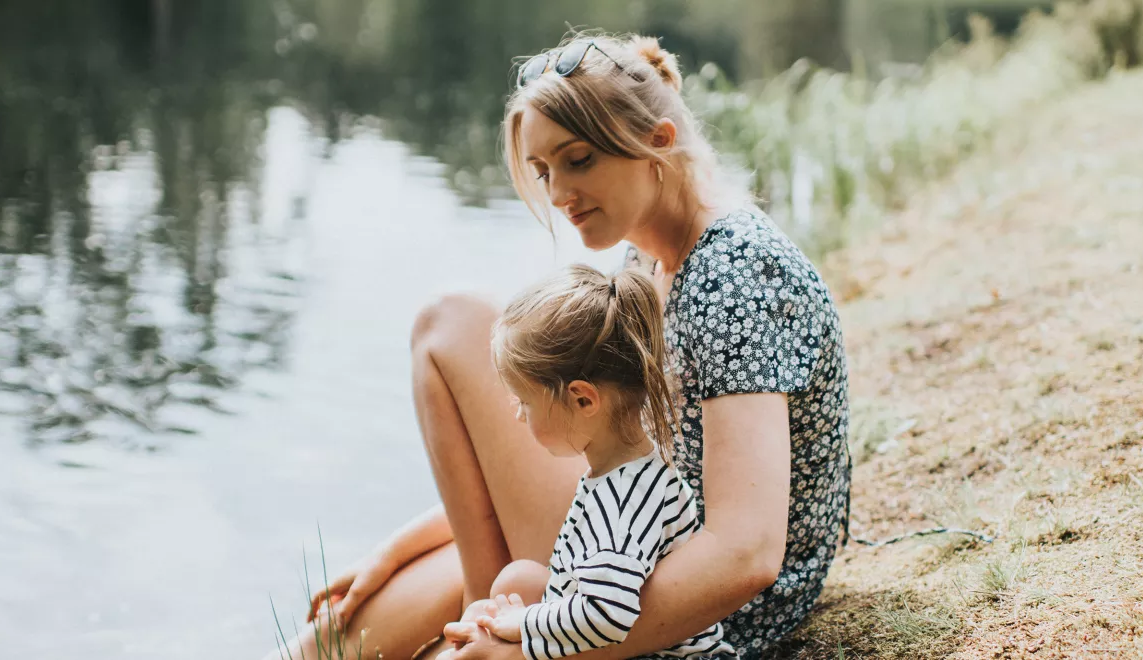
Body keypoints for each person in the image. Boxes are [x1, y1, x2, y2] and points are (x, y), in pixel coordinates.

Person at [278, 31, 850, 660]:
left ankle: (483, 622)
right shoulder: (650, 256)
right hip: (627, 533)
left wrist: (528, 648)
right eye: (544, 171)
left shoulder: (738, 275)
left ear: (657, 140)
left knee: (452, 324)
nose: (556, 195)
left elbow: (744, 556)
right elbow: (604, 452)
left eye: (577, 161)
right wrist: (399, 550)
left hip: (697, 607)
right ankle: (483, 600)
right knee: (324, 645)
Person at [469, 264, 737, 660]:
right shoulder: (627, 469)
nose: (519, 415)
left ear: (582, 400)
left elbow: (606, 614)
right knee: (513, 585)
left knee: (489, 632)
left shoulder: (623, 502)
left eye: (525, 401)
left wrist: (523, 626)